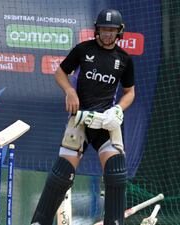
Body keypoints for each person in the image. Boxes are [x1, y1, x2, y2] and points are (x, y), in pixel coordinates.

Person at [31, 9, 135, 225]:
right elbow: (60, 73)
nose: (107, 34)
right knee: (62, 175)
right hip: (80, 119)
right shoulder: (83, 49)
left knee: (116, 172)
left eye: (112, 30)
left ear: (119, 32)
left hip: (106, 122)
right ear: (97, 30)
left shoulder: (124, 59)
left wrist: (117, 110)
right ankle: (39, 222)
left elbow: (129, 92)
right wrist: (70, 91)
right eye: (104, 29)